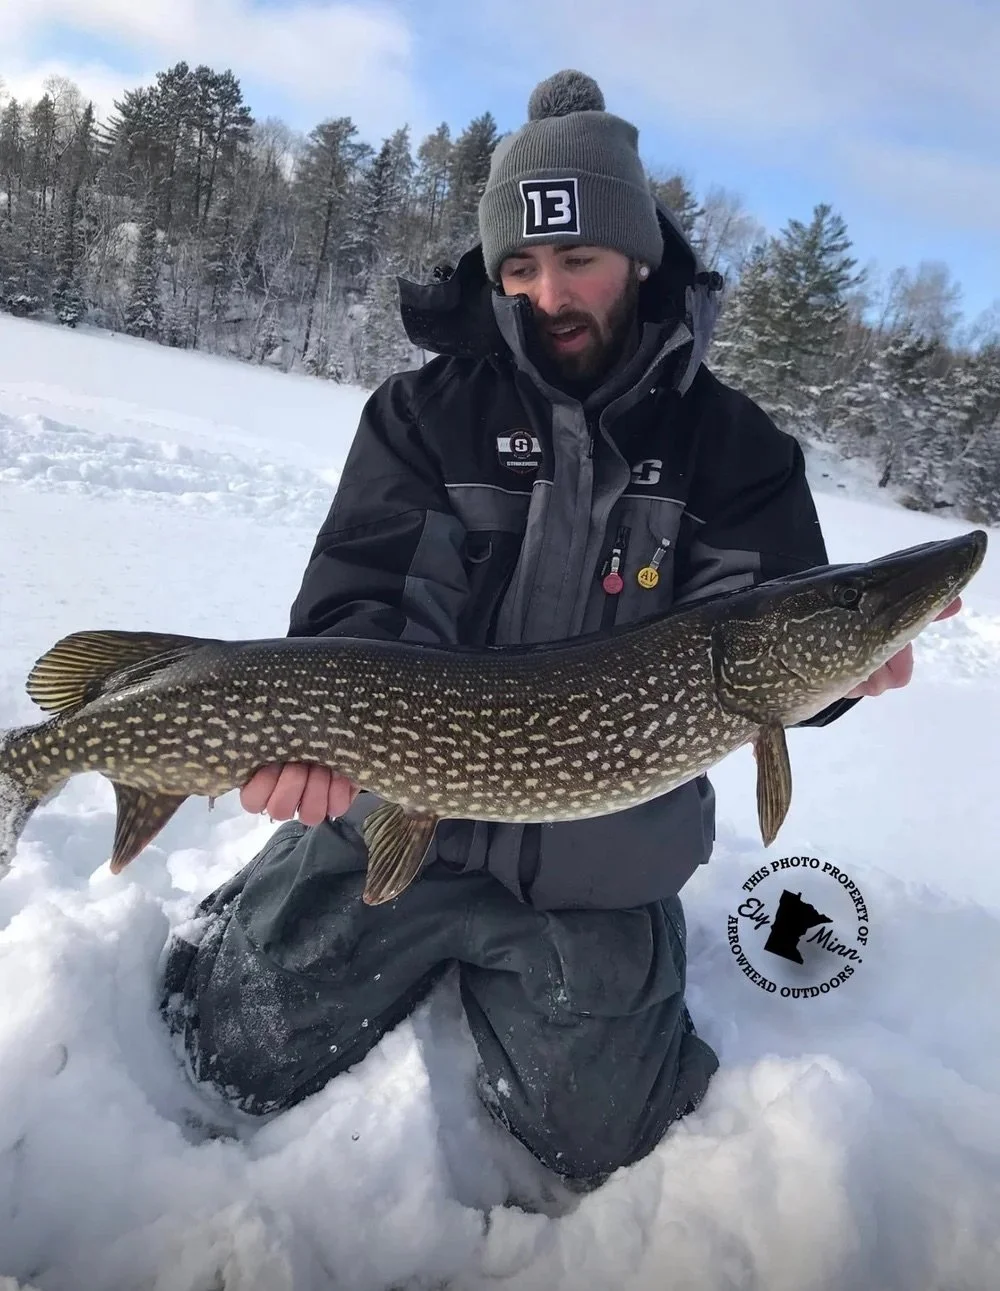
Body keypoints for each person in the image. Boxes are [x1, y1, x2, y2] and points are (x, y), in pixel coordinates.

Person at [160, 70, 960, 1189]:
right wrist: (310, 755)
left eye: (577, 258)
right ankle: (266, 893)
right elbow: (351, 607)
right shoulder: (420, 417)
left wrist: (844, 672)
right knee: (230, 1048)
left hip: (602, 860)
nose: (549, 292)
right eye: (521, 266)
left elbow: (781, 638)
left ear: (638, 256)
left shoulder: (736, 450)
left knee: (602, 1142)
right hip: (397, 809)